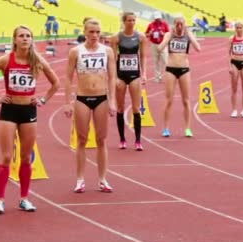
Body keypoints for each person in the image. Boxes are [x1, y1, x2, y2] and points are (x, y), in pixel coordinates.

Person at [0, 25, 59, 214]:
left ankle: (24, 198)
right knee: (6, 156)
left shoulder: (37, 60)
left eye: (28, 36)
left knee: (26, 157)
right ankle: (0, 200)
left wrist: (42, 99)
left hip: (29, 111)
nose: (25, 39)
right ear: (15, 40)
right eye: (21, 36)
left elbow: (56, 82)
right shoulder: (5, 60)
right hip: (9, 110)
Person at [64, 18, 117, 193]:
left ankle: (102, 179)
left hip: (101, 97)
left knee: (102, 140)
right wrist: (67, 102)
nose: (95, 35)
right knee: (82, 140)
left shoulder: (107, 51)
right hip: (82, 98)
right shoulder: (75, 51)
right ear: (85, 32)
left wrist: (112, 101)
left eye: (97, 32)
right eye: (91, 32)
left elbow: (112, 76)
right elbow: (68, 77)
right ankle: (80, 180)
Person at [157, 14, 201, 138]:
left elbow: (198, 48)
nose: (180, 26)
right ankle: (165, 128)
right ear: (174, 24)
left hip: (184, 69)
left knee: (186, 100)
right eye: (177, 24)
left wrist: (190, 36)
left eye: (182, 24)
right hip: (170, 69)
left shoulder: (188, 34)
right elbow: (160, 48)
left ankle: (187, 128)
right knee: (168, 100)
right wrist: (169, 36)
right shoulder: (168, 34)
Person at [109, 12, 146, 151]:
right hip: (121, 75)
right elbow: (112, 59)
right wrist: (114, 78)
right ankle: (122, 139)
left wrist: (144, 74)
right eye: (129, 20)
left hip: (135, 74)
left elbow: (142, 57)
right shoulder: (116, 38)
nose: (131, 22)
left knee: (136, 108)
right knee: (120, 107)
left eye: (133, 20)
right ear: (124, 22)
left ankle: (138, 140)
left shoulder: (140, 37)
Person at [228, 21, 243, 118]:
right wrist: (229, 66)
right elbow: (228, 53)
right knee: (234, 88)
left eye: (240, 27)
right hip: (234, 62)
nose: (239, 29)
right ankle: (234, 110)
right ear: (235, 29)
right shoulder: (231, 39)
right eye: (237, 28)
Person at [145, 12, 169, 83]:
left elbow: (169, 34)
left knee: (165, 61)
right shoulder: (151, 25)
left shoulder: (164, 24)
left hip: (162, 44)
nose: (157, 20)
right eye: (156, 19)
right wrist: (150, 33)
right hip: (154, 44)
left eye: (158, 18)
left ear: (160, 18)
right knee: (156, 61)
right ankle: (157, 77)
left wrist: (163, 34)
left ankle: (167, 76)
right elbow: (146, 34)